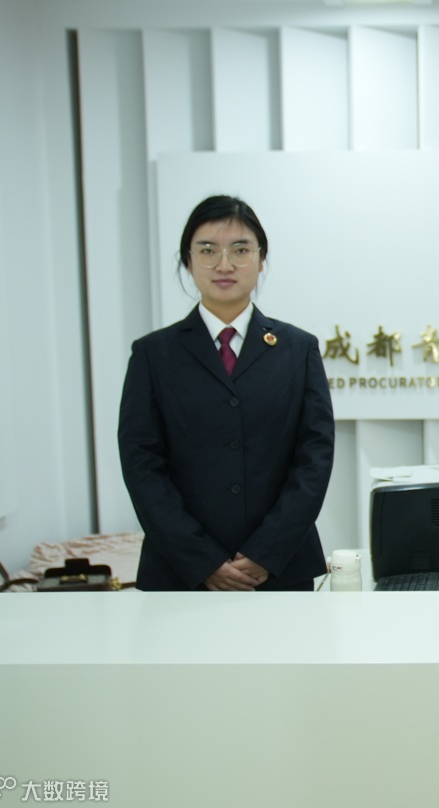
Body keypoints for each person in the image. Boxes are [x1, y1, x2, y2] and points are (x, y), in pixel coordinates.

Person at [118, 195, 335, 591]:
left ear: (261, 258)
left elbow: (314, 458)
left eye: (240, 249)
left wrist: (266, 552)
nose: (224, 264)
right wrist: (202, 560)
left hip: (280, 568)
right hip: (181, 574)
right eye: (207, 250)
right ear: (188, 261)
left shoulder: (297, 349)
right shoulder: (153, 354)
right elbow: (142, 465)